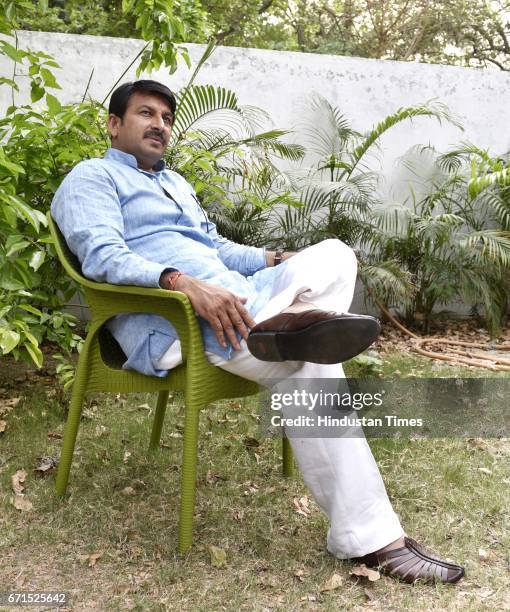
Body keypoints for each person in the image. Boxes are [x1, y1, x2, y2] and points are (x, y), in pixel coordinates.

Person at [51, 79, 465, 584]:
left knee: (335, 253)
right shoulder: (91, 178)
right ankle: (378, 540)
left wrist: (277, 259)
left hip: (241, 299)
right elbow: (103, 257)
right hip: (179, 319)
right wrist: (184, 284)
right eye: (145, 113)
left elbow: (219, 249)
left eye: (166, 117)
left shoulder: (175, 183)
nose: (159, 124)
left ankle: (280, 330)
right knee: (311, 364)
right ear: (115, 125)